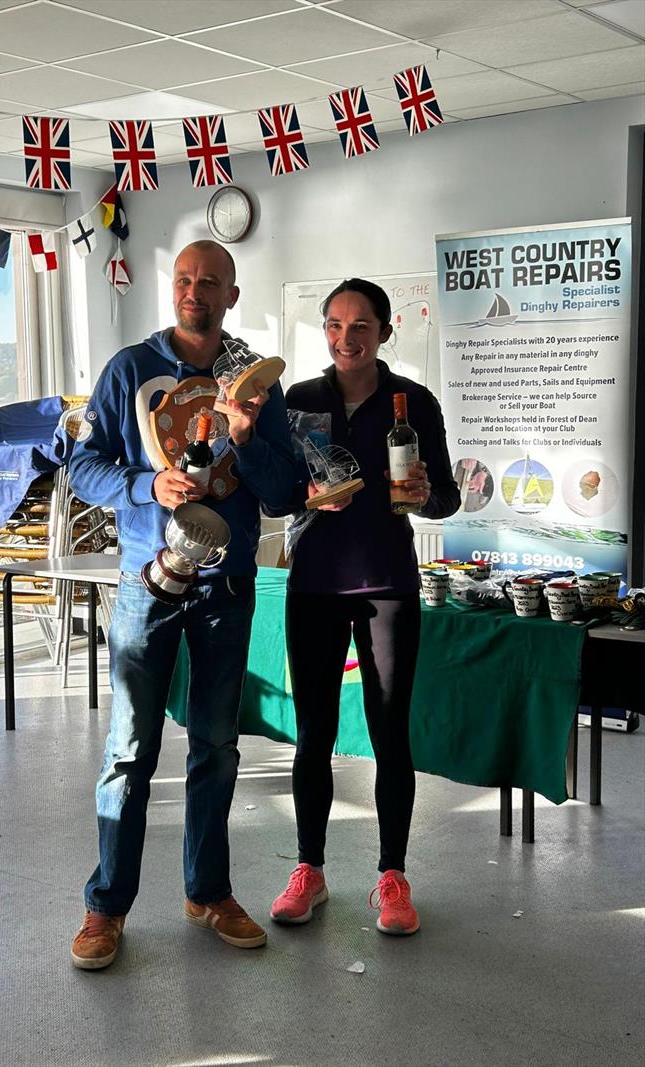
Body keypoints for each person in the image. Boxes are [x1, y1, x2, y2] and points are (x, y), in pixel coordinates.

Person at [68, 241, 296, 969]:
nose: (194, 290)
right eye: (184, 279)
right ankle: (106, 906)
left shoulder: (254, 380)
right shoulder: (131, 369)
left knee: (217, 748)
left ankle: (209, 891)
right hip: (149, 580)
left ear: (232, 294)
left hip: (226, 585)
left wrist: (246, 437)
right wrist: (147, 486)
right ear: (175, 288)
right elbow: (82, 465)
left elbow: (285, 491)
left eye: (210, 282)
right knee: (129, 749)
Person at [270, 278, 459, 936]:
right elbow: (276, 495)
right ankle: (309, 869)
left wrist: (425, 490)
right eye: (334, 325)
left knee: (388, 734)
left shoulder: (413, 403)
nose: (345, 338)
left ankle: (392, 875)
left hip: (387, 586)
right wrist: (309, 494)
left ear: (383, 331)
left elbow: (445, 502)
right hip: (314, 586)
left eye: (360, 326)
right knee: (313, 735)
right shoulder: (299, 400)